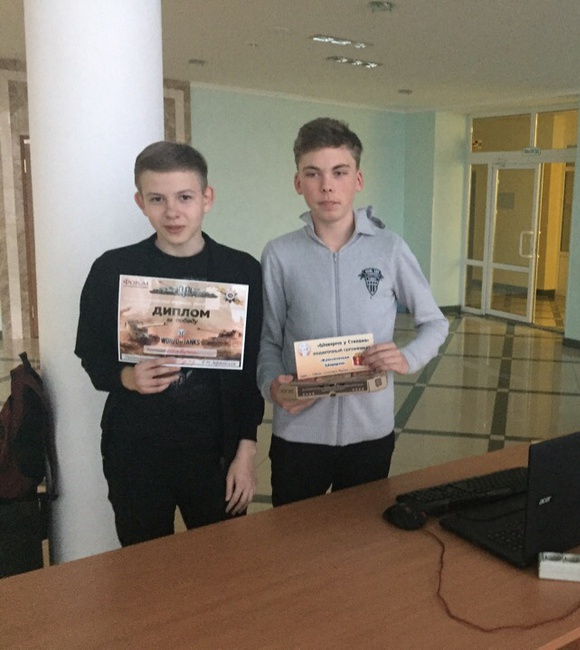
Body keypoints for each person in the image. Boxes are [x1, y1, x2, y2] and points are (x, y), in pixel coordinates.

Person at [75, 141, 264, 546]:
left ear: (207, 198)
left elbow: (250, 370)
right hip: (136, 452)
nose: (172, 212)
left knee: (224, 559)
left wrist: (246, 452)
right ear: (140, 202)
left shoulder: (241, 270)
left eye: (184, 197)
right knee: (144, 565)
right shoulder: (113, 270)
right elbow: (90, 353)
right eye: (157, 199)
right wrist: (126, 377)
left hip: (217, 453)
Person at [258, 117, 448, 506]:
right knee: (295, 535)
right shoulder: (279, 254)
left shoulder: (390, 249)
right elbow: (269, 340)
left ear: (357, 180)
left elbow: (434, 323)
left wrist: (407, 357)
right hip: (298, 434)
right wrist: (271, 385)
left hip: (369, 433)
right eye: (313, 173)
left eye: (339, 172)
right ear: (298, 183)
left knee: (362, 534)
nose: (326, 185)